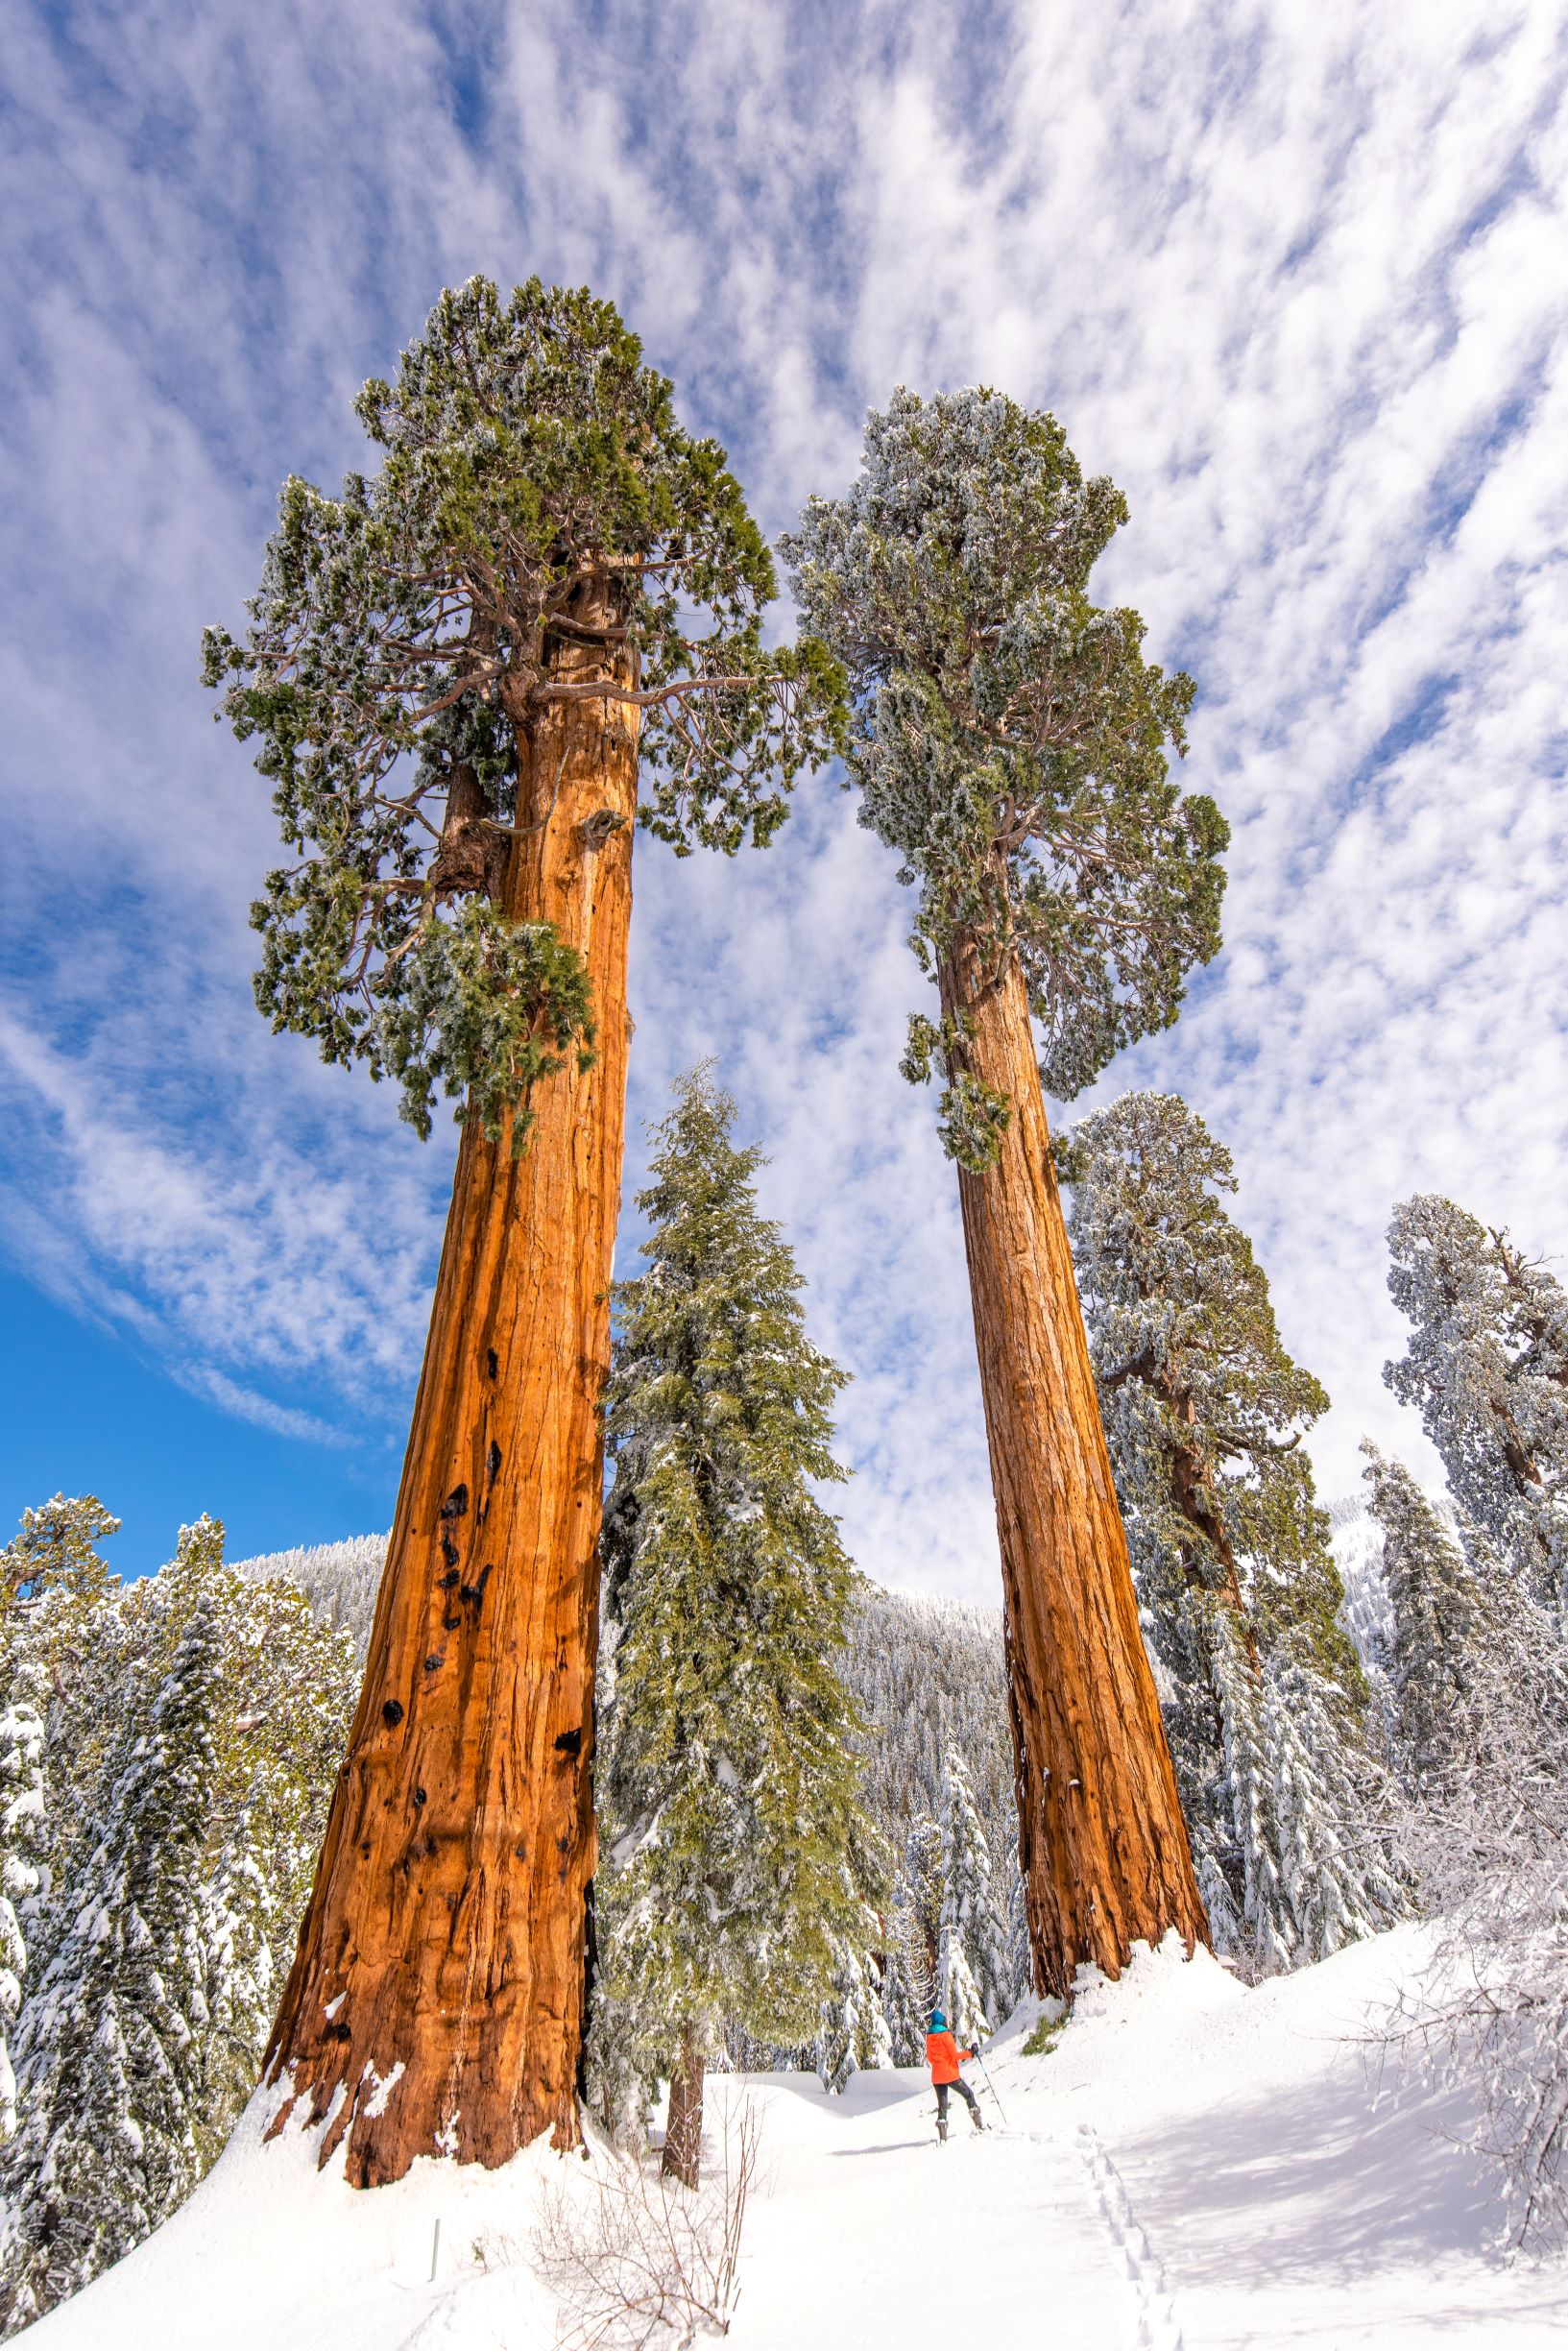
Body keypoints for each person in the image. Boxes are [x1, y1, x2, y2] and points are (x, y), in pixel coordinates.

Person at [925, 2008, 984, 2140]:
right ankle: (979, 2126)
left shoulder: (929, 2037)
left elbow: (929, 2058)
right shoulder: (945, 2035)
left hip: (936, 2076)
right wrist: (971, 2053)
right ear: (942, 2021)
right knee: (968, 2094)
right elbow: (955, 2056)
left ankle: (942, 2138)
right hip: (950, 2074)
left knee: (942, 2106)